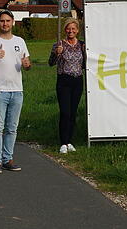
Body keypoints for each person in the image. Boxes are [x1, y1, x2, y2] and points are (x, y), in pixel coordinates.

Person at [0, 10, 31, 174]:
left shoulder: (20, 41)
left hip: (17, 90)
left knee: (12, 128)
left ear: (13, 22)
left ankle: (8, 159)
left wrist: (27, 65)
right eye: (2, 21)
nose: (5, 24)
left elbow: (27, 64)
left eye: (8, 21)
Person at [48, 18, 86, 154]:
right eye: (68, 28)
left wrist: (85, 53)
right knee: (65, 112)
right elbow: (51, 63)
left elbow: (84, 64)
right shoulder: (59, 44)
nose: (71, 31)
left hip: (78, 81)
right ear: (65, 30)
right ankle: (63, 142)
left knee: (73, 113)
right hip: (64, 81)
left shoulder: (82, 45)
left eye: (73, 29)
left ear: (77, 30)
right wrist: (56, 53)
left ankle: (70, 141)